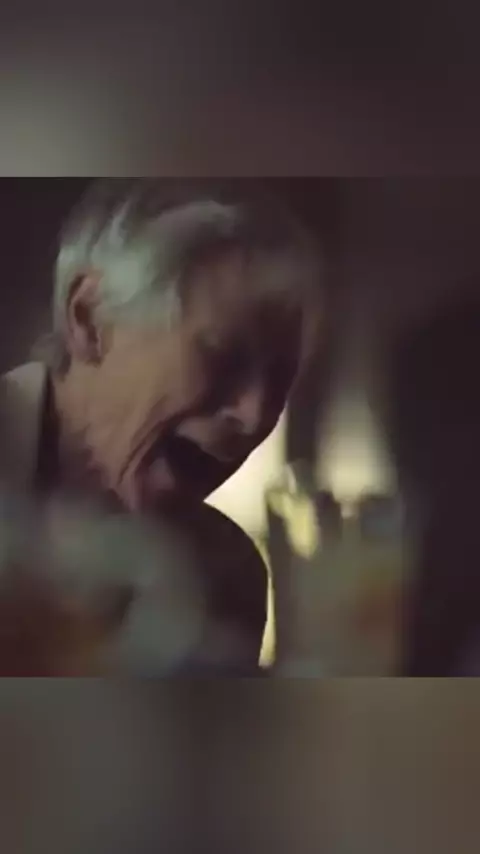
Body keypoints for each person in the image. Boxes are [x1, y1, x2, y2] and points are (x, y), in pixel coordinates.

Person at [0, 179, 322, 675]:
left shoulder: (225, 576)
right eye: (223, 356)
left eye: (280, 376)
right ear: (89, 319)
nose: (255, 415)